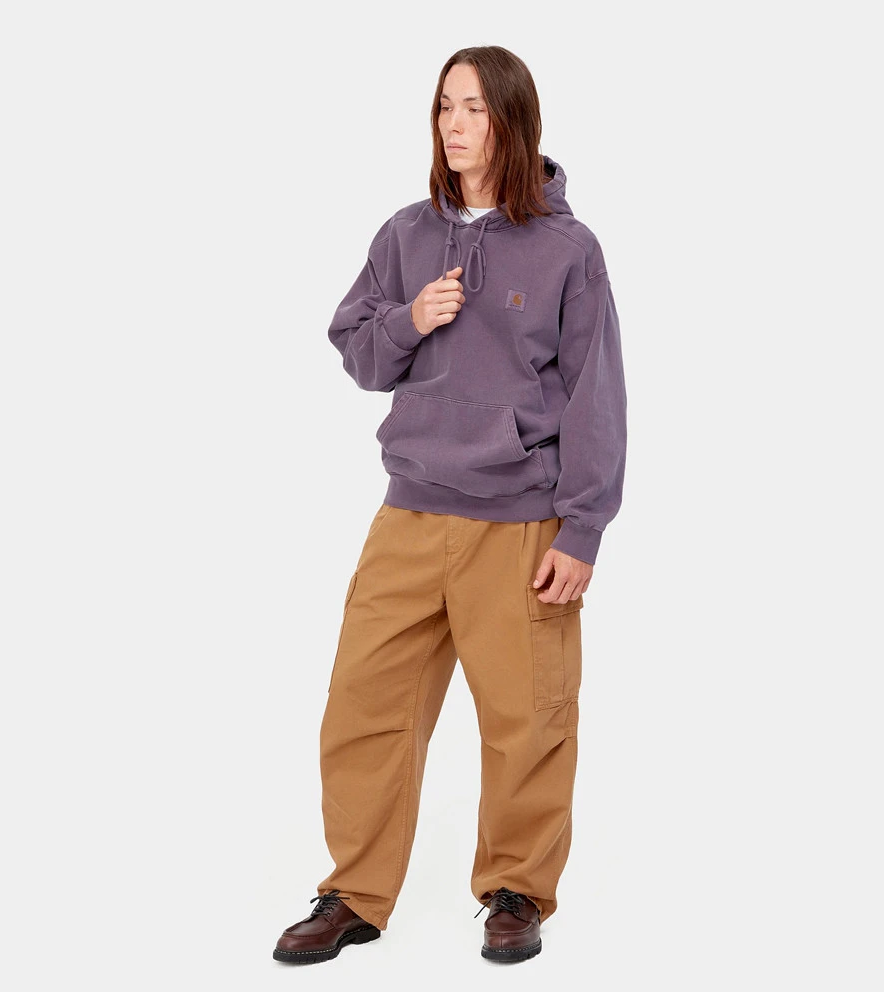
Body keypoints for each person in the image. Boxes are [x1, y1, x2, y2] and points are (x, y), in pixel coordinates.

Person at [273, 44, 627, 965]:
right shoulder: (405, 234)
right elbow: (356, 348)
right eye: (443, 107)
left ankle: (517, 890)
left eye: (474, 108)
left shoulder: (569, 251)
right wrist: (410, 318)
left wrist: (583, 528)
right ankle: (355, 893)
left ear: (514, 120)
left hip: (521, 522)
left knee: (527, 719)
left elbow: (597, 394)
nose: (455, 125)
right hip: (409, 514)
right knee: (364, 706)